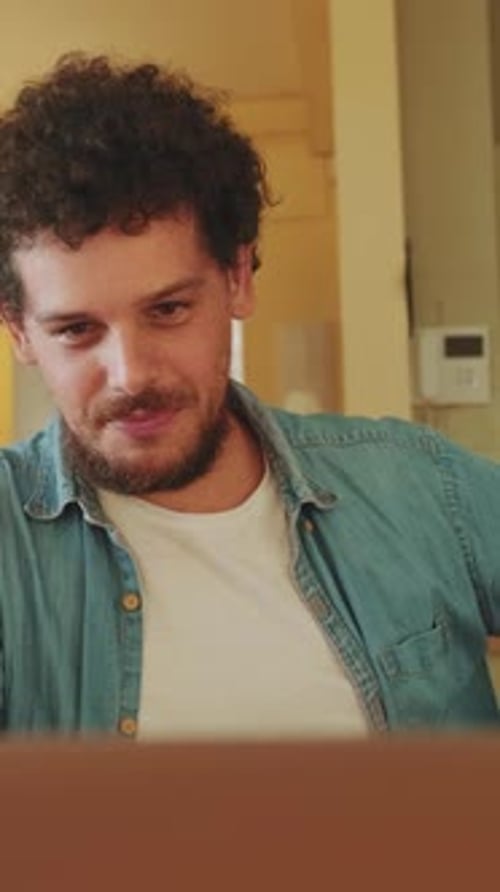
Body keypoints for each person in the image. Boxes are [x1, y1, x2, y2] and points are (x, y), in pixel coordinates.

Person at [0, 53, 499, 740]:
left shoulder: (420, 488)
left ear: (237, 278)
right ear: (20, 332)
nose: (130, 374)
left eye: (169, 310)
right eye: (76, 330)